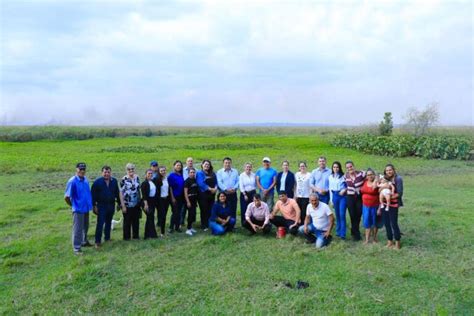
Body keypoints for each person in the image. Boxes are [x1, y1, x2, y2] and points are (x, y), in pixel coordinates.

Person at [91, 165, 125, 248]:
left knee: (109, 222)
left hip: (111, 205)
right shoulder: (97, 182)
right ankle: (97, 241)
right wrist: (94, 206)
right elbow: (93, 195)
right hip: (101, 206)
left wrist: (119, 204)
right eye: (105, 172)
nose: (107, 174)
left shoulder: (114, 181)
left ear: (111, 173)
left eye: (108, 172)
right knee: (100, 223)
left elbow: (117, 193)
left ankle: (107, 238)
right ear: (102, 173)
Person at [64, 162, 93, 255]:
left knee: (85, 227)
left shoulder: (85, 180)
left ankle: (84, 242)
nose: (82, 171)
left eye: (84, 169)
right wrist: (73, 206)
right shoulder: (72, 181)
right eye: (80, 169)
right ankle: (77, 248)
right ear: (76, 169)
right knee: (77, 229)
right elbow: (67, 197)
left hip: (86, 208)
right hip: (78, 209)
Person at [383, 164, 403, 249]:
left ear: (394, 170)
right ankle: (390, 241)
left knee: (393, 223)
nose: (388, 172)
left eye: (390, 170)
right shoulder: (384, 179)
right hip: (384, 204)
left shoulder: (398, 179)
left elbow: (399, 193)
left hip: (393, 204)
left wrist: (388, 197)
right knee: (386, 223)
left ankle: (397, 242)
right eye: (387, 170)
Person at [360, 168, 383, 244]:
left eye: (371, 174)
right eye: (368, 175)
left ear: (374, 175)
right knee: (367, 222)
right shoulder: (364, 182)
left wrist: (379, 208)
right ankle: (367, 239)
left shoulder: (378, 183)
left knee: (375, 223)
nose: (370, 176)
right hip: (365, 206)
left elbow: (381, 196)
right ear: (366, 176)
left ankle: (374, 238)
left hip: (375, 206)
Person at [344, 160, 365, 241]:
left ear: (353, 166)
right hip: (350, 197)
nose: (350, 168)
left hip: (359, 197)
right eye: (348, 167)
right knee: (352, 215)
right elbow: (343, 185)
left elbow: (372, 174)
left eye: (351, 166)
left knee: (358, 215)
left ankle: (354, 230)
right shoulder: (345, 176)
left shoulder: (361, 173)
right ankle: (356, 234)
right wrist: (343, 190)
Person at [120, 163, 141, 240]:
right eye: (129, 169)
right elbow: (121, 193)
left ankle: (136, 236)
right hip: (127, 203)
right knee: (127, 221)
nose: (131, 170)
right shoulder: (124, 179)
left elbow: (138, 189)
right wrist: (123, 205)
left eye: (132, 169)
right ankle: (126, 237)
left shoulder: (137, 177)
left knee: (136, 220)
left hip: (136, 203)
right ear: (126, 170)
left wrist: (140, 200)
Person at [197, 160, 218, 231]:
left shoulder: (213, 173)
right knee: (204, 210)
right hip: (203, 195)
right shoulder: (199, 173)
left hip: (212, 195)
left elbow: (216, 182)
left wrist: (215, 188)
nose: (207, 165)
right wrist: (210, 189)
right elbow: (201, 183)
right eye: (205, 164)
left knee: (210, 209)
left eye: (208, 164)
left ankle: (210, 223)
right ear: (202, 165)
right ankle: (204, 225)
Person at [328, 161, 347, 240]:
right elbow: (330, 189)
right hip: (334, 196)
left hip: (342, 196)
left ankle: (343, 233)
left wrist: (344, 190)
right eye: (334, 167)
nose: (335, 169)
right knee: (337, 215)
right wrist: (331, 200)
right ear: (332, 168)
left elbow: (347, 186)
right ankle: (338, 231)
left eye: (337, 167)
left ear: (339, 168)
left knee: (342, 214)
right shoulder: (330, 177)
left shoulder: (343, 176)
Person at [141, 169, 158, 239]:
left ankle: (147, 235)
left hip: (152, 202)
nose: (150, 175)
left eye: (151, 174)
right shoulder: (144, 183)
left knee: (150, 218)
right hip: (146, 202)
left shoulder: (152, 182)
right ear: (145, 175)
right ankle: (153, 235)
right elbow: (144, 195)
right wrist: (146, 204)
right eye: (148, 174)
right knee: (150, 217)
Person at [168, 160, 185, 233]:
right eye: (177, 165)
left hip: (181, 196)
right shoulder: (171, 176)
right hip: (174, 196)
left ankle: (177, 227)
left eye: (180, 165)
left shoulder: (181, 175)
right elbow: (170, 187)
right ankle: (171, 227)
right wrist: (172, 198)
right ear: (174, 166)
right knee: (175, 212)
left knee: (179, 212)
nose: (179, 167)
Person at [184, 167, 199, 236]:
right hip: (189, 200)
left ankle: (191, 227)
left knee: (193, 214)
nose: (192, 174)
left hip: (194, 200)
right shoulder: (187, 181)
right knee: (190, 214)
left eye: (193, 172)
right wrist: (188, 201)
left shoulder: (195, 180)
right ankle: (188, 229)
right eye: (191, 172)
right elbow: (185, 192)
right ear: (188, 173)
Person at [157, 166, 171, 237]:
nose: (163, 172)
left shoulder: (166, 178)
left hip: (167, 199)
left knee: (164, 215)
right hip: (160, 200)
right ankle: (162, 233)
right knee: (162, 216)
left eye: (164, 170)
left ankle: (162, 230)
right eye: (161, 171)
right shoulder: (157, 180)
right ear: (159, 172)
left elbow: (168, 188)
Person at [181, 157, 194, 225]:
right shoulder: (182, 170)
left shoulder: (196, 170)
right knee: (183, 207)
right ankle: (181, 221)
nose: (190, 162)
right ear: (186, 162)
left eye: (191, 161)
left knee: (192, 207)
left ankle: (191, 221)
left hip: (192, 191)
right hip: (184, 190)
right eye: (189, 161)